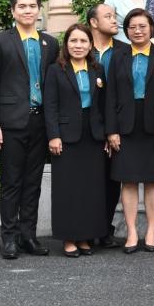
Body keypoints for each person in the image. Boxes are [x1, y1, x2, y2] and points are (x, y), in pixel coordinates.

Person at [0, 0, 59, 259]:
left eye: (32, 6)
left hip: (39, 121)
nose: (28, 11)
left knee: (33, 182)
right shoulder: (0, 41)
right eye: (22, 7)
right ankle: (9, 237)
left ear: (39, 10)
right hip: (10, 122)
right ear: (13, 11)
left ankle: (28, 235)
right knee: (11, 182)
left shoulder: (49, 43)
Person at [106, 9, 154, 253]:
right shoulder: (118, 55)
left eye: (142, 26)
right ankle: (131, 233)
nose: (137, 31)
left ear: (151, 28)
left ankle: (151, 232)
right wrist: (112, 131)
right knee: (128, 180)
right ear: (126, 31)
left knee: (153, 180)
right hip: (125, 125)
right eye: (132, 27)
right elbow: (110, 94)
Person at [43, 23, 108, 258]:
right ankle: (69, 237)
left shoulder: (97, 69)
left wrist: (106, 133)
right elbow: (50, 105)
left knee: (90, 188)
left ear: (90, 45)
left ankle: (85, 236)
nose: (78, 45)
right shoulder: (55, 70)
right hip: (66, 136)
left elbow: (104, 104)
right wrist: (54, 135)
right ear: (66, 44)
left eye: (83, 41)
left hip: (93, 135)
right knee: (67, 189)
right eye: (73, 41)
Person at [86, 3, 123, 248]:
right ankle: (88, 228)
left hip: (117, 122)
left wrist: (113, 129)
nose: (113, 20)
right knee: (88, 179)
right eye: (108, 16)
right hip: (86, 122)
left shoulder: (123, 50)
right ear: (93, 22)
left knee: (112, 179)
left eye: (114, 15)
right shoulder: (80, 47)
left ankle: (106, 229)